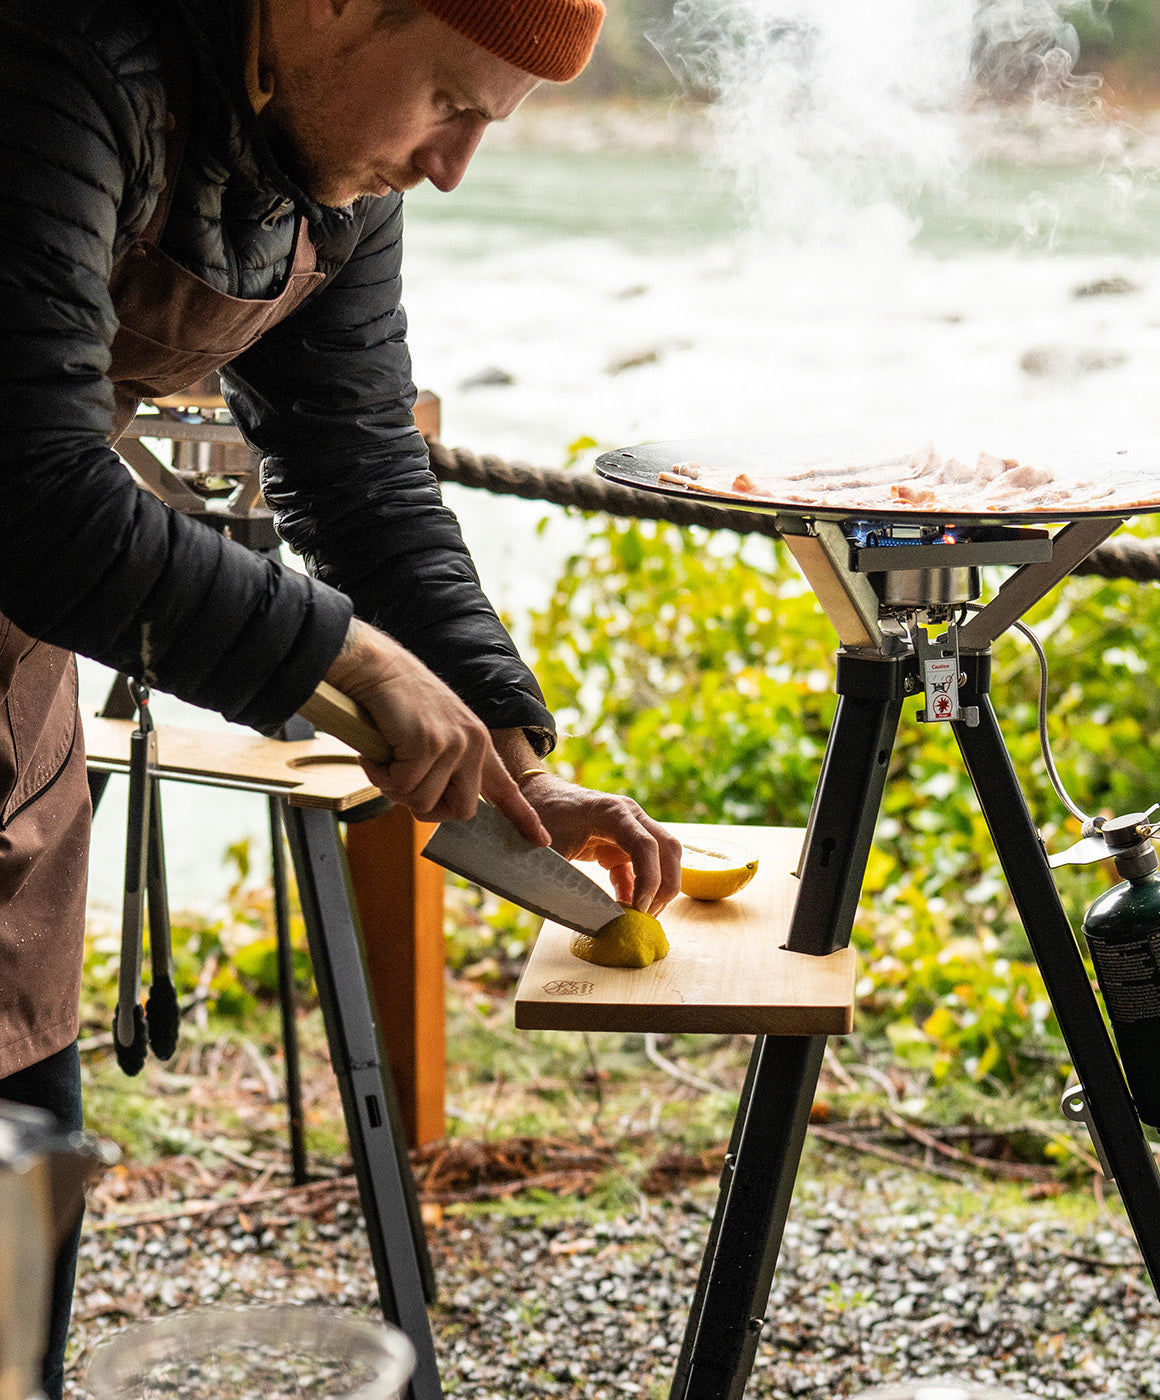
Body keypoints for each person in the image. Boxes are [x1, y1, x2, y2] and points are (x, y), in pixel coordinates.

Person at [0, 0, 683, 1393]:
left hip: (9, 719)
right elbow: (30, 487)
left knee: (16, 1243)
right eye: (449, 100)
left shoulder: (334, 156)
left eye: (487, 124)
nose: (450, 167)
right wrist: (355, 660)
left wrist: (511, 741)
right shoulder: (65, 55)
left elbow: (355, 452)